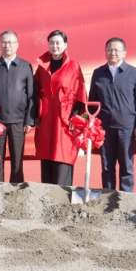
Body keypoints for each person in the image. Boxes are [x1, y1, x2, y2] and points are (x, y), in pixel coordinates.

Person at [88, 37, 136, 192]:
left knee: (126, 166)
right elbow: (92, 101)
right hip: (104, 127)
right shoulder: (98, 73)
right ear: (105, 52)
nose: (112, 53)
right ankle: (108, 196)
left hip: (126, 127)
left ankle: (125, 199)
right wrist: (92, 124)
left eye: (116, 50)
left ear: (124, 53)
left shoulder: (134, 73)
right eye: (109, 50)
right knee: (107, 166)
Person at [0, 31, 35, 183]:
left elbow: (31, 95)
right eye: (4, 42)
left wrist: (29, 120)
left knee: (17, 160)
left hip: (18, 121)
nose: (7, 45)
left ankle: (16, 189)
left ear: (17, 45)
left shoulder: (25, 66)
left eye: (10, 42)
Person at [33, 30, 86, 186]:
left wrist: (75, 115)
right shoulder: (42, 67)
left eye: (57, 43)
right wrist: (36, 115)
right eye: (51, 43)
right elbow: (34, 92)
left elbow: (81, 92)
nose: (54, 46)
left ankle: (63, 195)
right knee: (46, 155)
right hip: (45, 118)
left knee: (62, 155)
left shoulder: (74, 66)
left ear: (65, 45)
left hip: (64, 119)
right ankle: (47, 194)